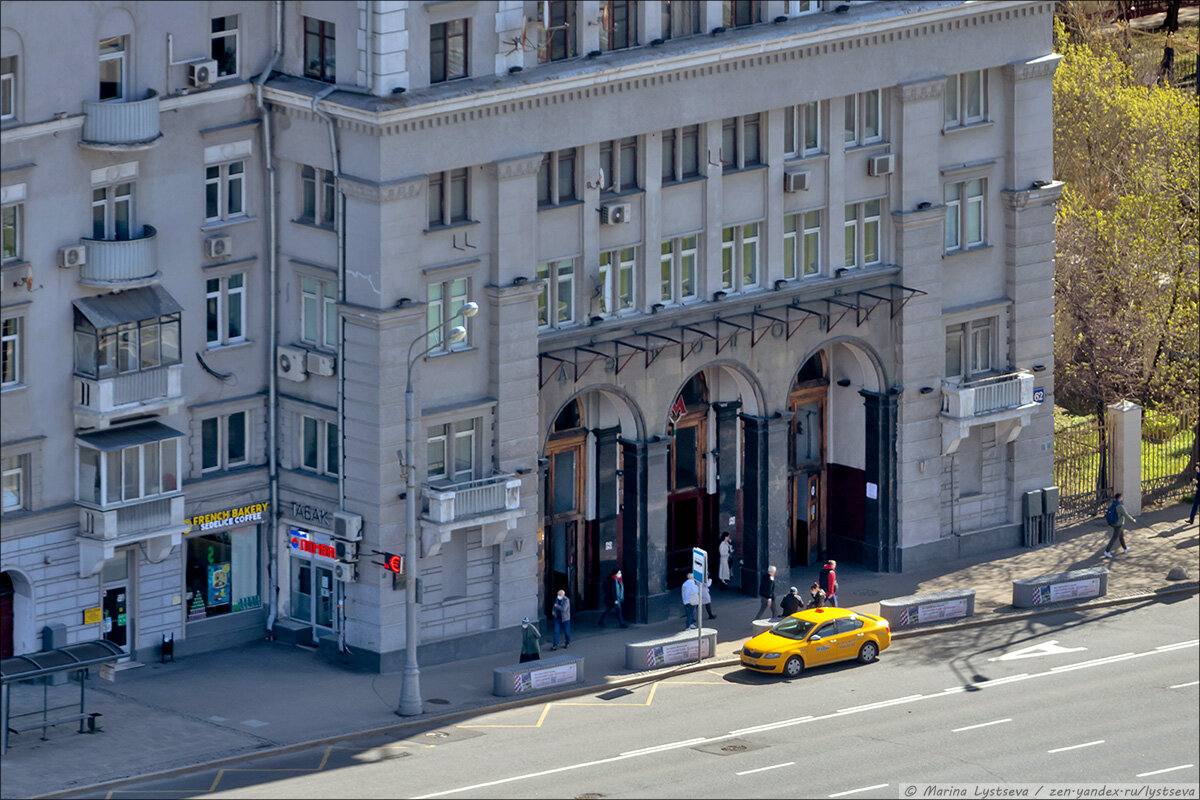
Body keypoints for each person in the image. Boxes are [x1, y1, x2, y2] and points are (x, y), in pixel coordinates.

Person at [1104, 492, 1137, 558]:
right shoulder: (1120, 506)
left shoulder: (1112, 504)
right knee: (1114, 538)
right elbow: (1126, 514)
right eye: (1121, 497)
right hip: (1118, 524)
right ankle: (1107, 551)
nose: (1122, 498)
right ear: (1119, 498)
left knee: (1121, 536)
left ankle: (1125, 548)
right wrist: (1132, 519)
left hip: (1113, 523)